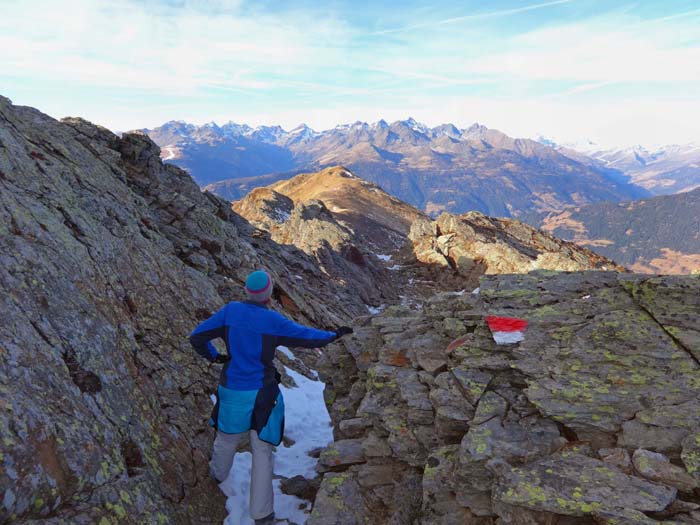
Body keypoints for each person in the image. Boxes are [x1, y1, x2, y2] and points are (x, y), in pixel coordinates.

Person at [189, 270, 352, 525]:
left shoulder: (230, 312)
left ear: (247, 291)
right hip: (263, 393)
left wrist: (213, 356)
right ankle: (262, 514)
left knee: (226, 436)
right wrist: (332, 336)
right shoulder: (273, 321)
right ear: (267, 294)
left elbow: (196, 336)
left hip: (232, 388)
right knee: (262, 451)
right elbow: (305, 336)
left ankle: (218, 474)